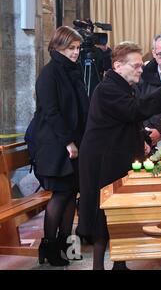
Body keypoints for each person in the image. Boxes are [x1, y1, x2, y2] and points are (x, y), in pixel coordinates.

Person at [77, 42, 161, 270]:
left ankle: (119, 263)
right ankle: (99, 266)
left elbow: (128, 119)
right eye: (135, 66)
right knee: (103, 215)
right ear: (118, 65)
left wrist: (143, 139)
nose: (140, 70)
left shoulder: (122, 86)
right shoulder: (107, 88)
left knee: (118, 213)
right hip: (103, 160)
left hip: (115, 155)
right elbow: (133, 110)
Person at [32, 26, 89, 266]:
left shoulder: (71, 71)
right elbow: (51, 111)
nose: (76, 53)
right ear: (58, 47)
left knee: (70, 193)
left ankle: (66, 243)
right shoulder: (50, 73)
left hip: (71, 142)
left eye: (77, 48)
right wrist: (69, 142)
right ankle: (49, 246)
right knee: (60, 194)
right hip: (55, 144)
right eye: (71, 48)